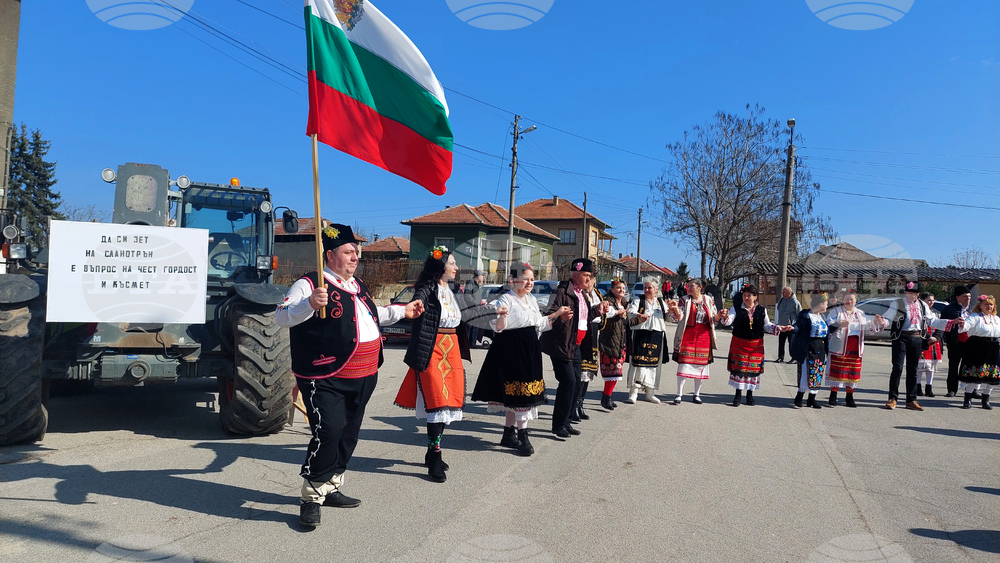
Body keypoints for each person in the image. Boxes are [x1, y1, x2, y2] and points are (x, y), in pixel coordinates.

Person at [275, 223, 423, 527]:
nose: (355, 256)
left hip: (364, 375)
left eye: (356, 251)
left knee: (348, 435)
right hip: (324, 375)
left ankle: (332, 486)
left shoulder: (359, 285)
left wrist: (402, 311)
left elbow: (372, 315)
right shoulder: (310, 284)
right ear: (330, 255)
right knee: (328, 432)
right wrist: (309, 304)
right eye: (349, 251)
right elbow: (281, 315)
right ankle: (311, 495)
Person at [471, 264, 571, 456]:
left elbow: (539, 324)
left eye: (532, 279)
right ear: (513, 280)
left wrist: (558, 315)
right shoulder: (505, 299)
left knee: (519, 392)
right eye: (525, 279)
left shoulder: (532, 300)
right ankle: (523, 435)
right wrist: (500, 316)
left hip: (530, 348)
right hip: (511, 348)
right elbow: (497, 327)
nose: (529, 283)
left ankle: (508, 433)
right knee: (518, 391)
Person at [394, 246, 472, 483]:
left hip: (452, 349)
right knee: (437, 401)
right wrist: (415, 304)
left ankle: (431, 451)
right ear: (441, 267)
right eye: (452, 264)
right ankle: (435, 455)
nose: (456, 268)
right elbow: (419, 299)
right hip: (432, 348)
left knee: (448, 402)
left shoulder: (454, 290)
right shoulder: (427, 288)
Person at [540, 258, 609, 438]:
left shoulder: (582, 293)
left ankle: (567, 421)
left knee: (576, 383)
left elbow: (583, 318)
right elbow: (549, 314)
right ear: (575, 275)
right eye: (585, 275)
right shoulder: (562, 291)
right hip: (561, 344)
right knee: (568, 382)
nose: (588, 279)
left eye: (590, 276)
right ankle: (558, 425)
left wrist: (598, 309)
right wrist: (560, 317)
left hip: (576, 345)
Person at [882, 281, 957, 411]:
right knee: (897, 368)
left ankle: (911, 399)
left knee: (913, 369)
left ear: (917, 294)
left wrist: (951, 322)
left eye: (912, 293)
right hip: (900, 337)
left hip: (916, 337)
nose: (909, 295)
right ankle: (892, 398)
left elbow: (933, 321)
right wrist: (881, 321)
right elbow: (888, 318)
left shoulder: (922, 305)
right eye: (907, 292)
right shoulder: (898, 303)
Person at [717, 284, 792, 407]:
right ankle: (737, 395)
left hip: (755, 344)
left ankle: (750, 395)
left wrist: (778, 328)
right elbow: (729, 320)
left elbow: (766, 325)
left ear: (755, 297)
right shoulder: (736, 308)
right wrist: (724, 317)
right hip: (739, 342)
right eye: (744, 295)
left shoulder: (762, 310)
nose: (746, 298)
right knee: (739, 369)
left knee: (753, 369)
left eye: (749, 295)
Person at [824, 291, 886, 407]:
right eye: (847, 299)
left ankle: (849, 397)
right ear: (843, 300)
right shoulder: (836, 312)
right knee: (837, 371)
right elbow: (829, 326)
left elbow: (868, 328)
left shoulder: (860, 314)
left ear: (856, 301)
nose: (850, 302)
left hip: (855, 347)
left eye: (852, 299)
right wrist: (838, 324)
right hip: (840, 345)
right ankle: (833, 395)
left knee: (852, 371)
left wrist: (874, 322)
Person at [666, 278, 718, 405]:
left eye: (691, 286)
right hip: (688, 334)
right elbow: (680, 316)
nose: (688, 288)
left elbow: (714, 317)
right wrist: (676, 309)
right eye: (688, 286)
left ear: (700, 287)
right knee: (684, 363)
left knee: (700, 365)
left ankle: (697, 394)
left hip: (704, 336)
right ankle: (679, 394)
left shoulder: (708, 300)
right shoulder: (685, 299)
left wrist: (720, 316)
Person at [625, 278, 672, 404]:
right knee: (638, 363)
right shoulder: (638, 300)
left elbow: (669, 317)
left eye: (649, 287)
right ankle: (633, 392)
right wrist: (640, 316)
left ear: (656, 290)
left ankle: (650, 392)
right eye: (645, 287)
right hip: (641, 333)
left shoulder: (661, 302)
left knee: (653, 364)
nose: (646, 290)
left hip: (657, 334)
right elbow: (630, 312)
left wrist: (674, 310)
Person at [957, 295, 999, 410]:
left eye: (991, 304)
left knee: (992, 374)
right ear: (980, 305)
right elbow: (966, 325)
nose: (989, 306)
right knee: (974, 373)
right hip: (977, 347)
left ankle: (985, 399)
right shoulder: (975, 317)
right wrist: (962, 324)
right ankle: (968, 399)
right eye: (986, 304)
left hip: (993, 348)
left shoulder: (996, 319)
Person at [790, 291, 830, 409]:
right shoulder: (806, 315)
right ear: (821, 304)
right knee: (805, 372)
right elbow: (799, 326)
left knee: (817, 373)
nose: (827, 305)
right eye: (826, 303)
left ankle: (812, 399)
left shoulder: (822, 317)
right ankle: (799, 396)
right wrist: (792, 328)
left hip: (820, 348)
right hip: (808, 347)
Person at [598, 279, 633, 410]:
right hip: (609, 340)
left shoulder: (623, 302)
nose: (621, 290)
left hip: (620, 341)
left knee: (616, 371)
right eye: (618, 288)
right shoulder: (608, 300)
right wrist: (618, 312)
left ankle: (608, 396)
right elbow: (608, 313)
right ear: (612, 289)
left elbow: (627, 321)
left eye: (623, 288)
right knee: (611, 371)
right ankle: (606, 397)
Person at [574, 275, 603, 422]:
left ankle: (580, 403)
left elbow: (603, 316)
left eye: (592, 279)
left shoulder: (597, 294)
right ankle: (574, 405)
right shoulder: (580, 294)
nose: (590, 282)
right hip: (585, 332)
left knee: (588, 372)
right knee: (581, 371)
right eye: (589, 278)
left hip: (594, 333)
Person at [941, 285, 973, 397]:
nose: (968, 298)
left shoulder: (974, 309)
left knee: (969, 367)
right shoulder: (950, 308)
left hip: (971, 342)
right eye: (965, 296)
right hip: (955, 341)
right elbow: (943, 323)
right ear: (958, 297)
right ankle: (952, 389)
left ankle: (971, 390)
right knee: (953, 366)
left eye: (969, 296)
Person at [915, 292, 941, 398]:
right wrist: (927, 337)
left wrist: (936, 337)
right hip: (922, 340)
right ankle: (918, 387)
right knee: (920, 366)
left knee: (931, 367)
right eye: (928, 300)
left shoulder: (937, 313)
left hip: (934, 342)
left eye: (932, 300)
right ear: (922, 301)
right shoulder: (919, 312)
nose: (931, 302)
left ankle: (929, 387)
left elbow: (940, 326)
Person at [775, 286, 802, 363]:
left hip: (791, 326)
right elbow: (779, 309)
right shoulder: (781, 300)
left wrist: (797, 326)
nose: (782, 293)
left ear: (789, 293)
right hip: (782, 326)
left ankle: (794, 357)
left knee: (792, 343)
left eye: (784, 292)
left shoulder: (795, 302)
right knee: (781, 342)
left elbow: (799, 314)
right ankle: (780, 357)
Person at [465, 270, 485, 347]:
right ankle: (467, 344)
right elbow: (467, 295)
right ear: (478, 276)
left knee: (475, 326)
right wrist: (476, 304)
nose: (483, 278)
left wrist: (482, 303)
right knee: (469, 327)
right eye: (482, 276)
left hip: (476, 309)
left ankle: (472, 343)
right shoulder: (471, 283)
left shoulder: (476, 285)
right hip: (471, 309)